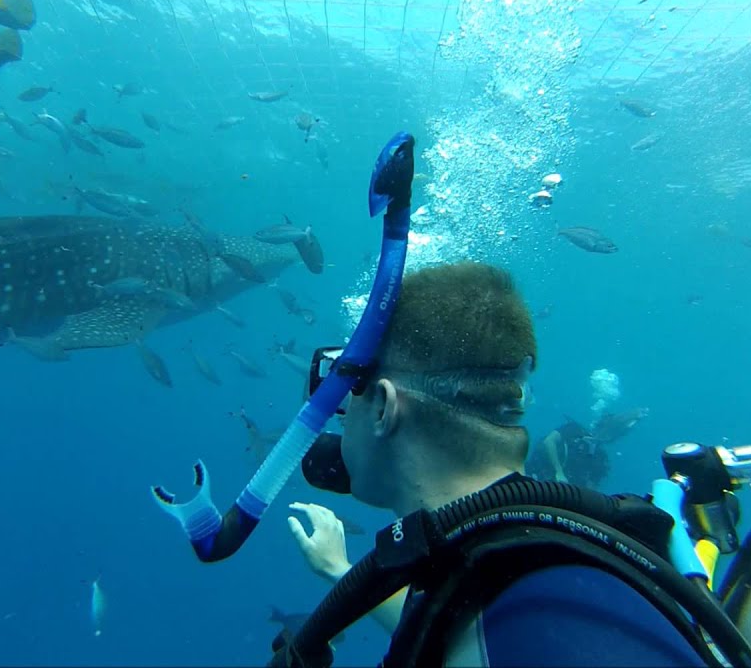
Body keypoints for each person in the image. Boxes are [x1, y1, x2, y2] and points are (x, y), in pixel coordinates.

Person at [285, 261, 708, 667]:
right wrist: (339, 569)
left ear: (382, 407)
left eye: (349, 394)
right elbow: (462, 635)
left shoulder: (544, 616)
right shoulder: (514, 569)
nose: (341, 419)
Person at [524, 416, 611, 489]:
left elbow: (592, 488)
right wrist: (559, 472)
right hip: (536, 474)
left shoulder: (600, 458)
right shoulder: (575, 430)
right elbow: (549, 441)